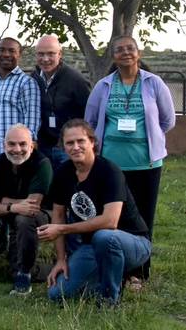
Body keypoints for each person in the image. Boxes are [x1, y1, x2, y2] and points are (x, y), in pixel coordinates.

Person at [84, 35, 174, 281]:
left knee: (143, 219)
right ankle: (116, 268)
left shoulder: (154, 83)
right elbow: (90, 123)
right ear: (113, 55)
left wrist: (150, 139)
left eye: (130, 48)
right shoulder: (103, 86)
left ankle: (139, 274)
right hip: (111, 166)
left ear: (139, 53)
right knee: (114, 218)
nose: (125, 53)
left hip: (146, 164)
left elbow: (167, 120)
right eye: (119, 49)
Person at [40, 119, 151, 306]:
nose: (75, 147)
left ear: (92, 142)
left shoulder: (109, 171)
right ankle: (109, 279)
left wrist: (62, 229)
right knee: (56, 294)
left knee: (105, 236)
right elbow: (58, 215)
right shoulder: (63, 173)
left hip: (134, 243)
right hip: (92, 246)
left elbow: (110, 221)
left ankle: (109, 301)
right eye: (69, 143)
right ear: (64, 147)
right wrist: (60, 259)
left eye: (80, 141)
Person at [0, 124, 53, 295]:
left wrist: (4, 201)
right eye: (11, 144)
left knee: (24, 218)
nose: (17, 149)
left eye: (22, 144)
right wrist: (13, 206)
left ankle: (25, 276)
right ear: (4, 145)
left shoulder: (42, 164)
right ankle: (55, 268)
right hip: (11, 215)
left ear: (31, 146)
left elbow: (32, 207)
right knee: (13, 269)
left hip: (43, 216)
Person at [30, 35, 90, 168]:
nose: (45, 59)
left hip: (67, 147)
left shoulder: (76, 80)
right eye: (41, 54)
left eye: (51, 54)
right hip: (43, 148)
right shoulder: (34, 79)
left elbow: (89, 116)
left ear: (60, 54)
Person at [0, 37, 40, 159]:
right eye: (2, 50)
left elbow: (32, 124)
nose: (6, 54)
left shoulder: (27, 83)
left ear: (19, 54)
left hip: (16, 156)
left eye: (11, 51)